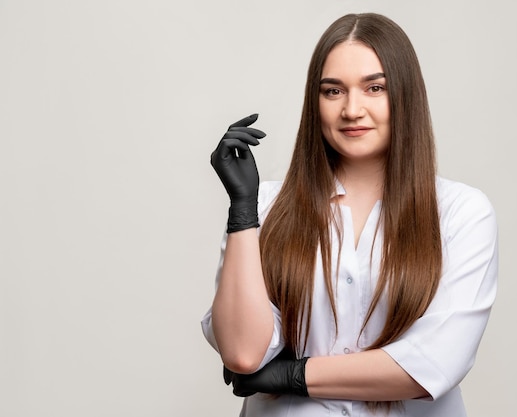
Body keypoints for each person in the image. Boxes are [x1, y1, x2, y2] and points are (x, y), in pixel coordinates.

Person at [202, 12, 498, 417]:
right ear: (315, 101)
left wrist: (295, 376)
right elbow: (241, 352)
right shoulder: (266, 208)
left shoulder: (461, 213)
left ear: (405, 96)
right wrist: (242, 211)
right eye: (333, 91)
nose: (352, 109)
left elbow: (434, 363)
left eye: (375, 88)